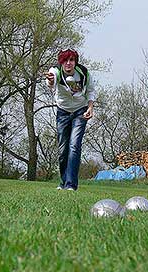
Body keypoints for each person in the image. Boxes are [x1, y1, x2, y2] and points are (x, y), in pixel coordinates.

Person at [45, 49, 96, 191]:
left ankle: (71, 185)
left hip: (80, 110)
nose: (68, 63)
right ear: (61, 62)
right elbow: (51, 81)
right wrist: (50, 81)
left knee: (74, 146)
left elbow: (91, 90)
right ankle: (63, 181)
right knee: (63, 149)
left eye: (71, 60)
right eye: (65, 60)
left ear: (75, 62)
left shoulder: (84, 72)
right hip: (63, 112)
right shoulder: (55, 71)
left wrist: (90, 107)